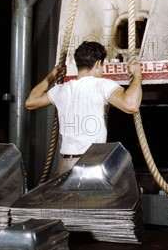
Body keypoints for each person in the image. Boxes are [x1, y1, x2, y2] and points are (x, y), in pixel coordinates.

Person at [25, 41, 143, 177]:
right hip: (90, 163)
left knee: (66, 199)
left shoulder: (61, 90)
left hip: (65, 164)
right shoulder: (102, 85)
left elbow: (30, 102)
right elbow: (131, 105)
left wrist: (52, 75)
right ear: (98, 63)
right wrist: (137, 75)